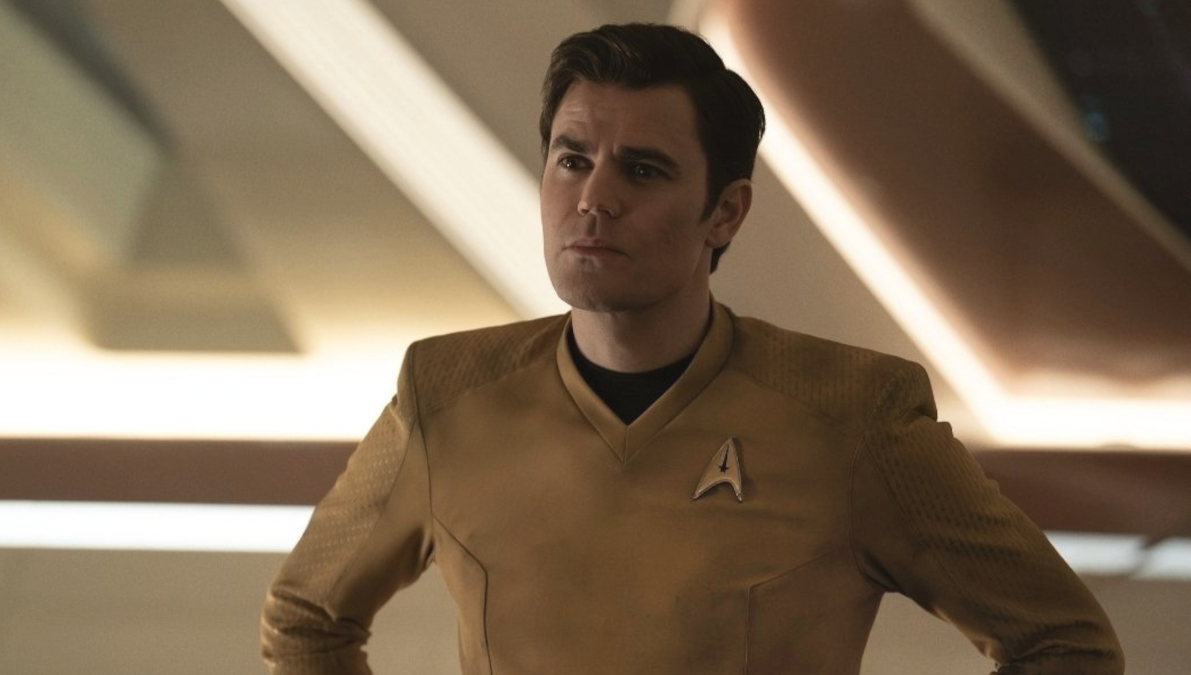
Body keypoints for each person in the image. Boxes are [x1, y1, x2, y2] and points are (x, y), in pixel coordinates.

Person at [261, 23, 1123, 675]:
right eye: (572, 160)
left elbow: (1064, 645)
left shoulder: (854, 414)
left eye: (642, 169)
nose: (593, 199)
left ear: (726, 211)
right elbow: (306, 620)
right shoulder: (445, 391)